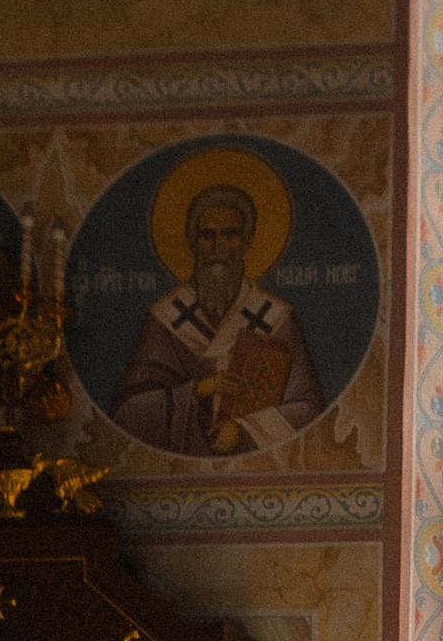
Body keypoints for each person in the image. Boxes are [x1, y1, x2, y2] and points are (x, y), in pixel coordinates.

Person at [112, 180, 323, 457]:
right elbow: (129, 411)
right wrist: (198, 391)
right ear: (193, 242)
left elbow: (307, 408)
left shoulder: (277, 320)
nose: (217, 247)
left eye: (229, 235)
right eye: (206, 235)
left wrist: (244, 429)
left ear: (247, 241)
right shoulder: (165, 320)